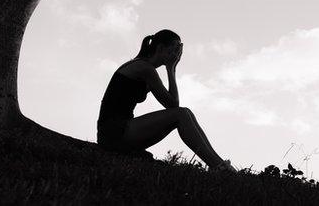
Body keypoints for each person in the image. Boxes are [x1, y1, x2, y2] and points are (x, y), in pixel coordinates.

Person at [96, 29, 236, 172]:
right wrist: (171, 68)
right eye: (174, 49)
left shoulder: (146, 68)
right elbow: (172, 105)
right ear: (161, 48)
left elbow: (172, 103)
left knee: (185, 112)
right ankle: (220, 167)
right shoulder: (144, 68)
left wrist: (171, 67)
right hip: (114, 132)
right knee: (181, 114)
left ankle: (219, 164)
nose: (176, 55)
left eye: (178, 51)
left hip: (119, 131)